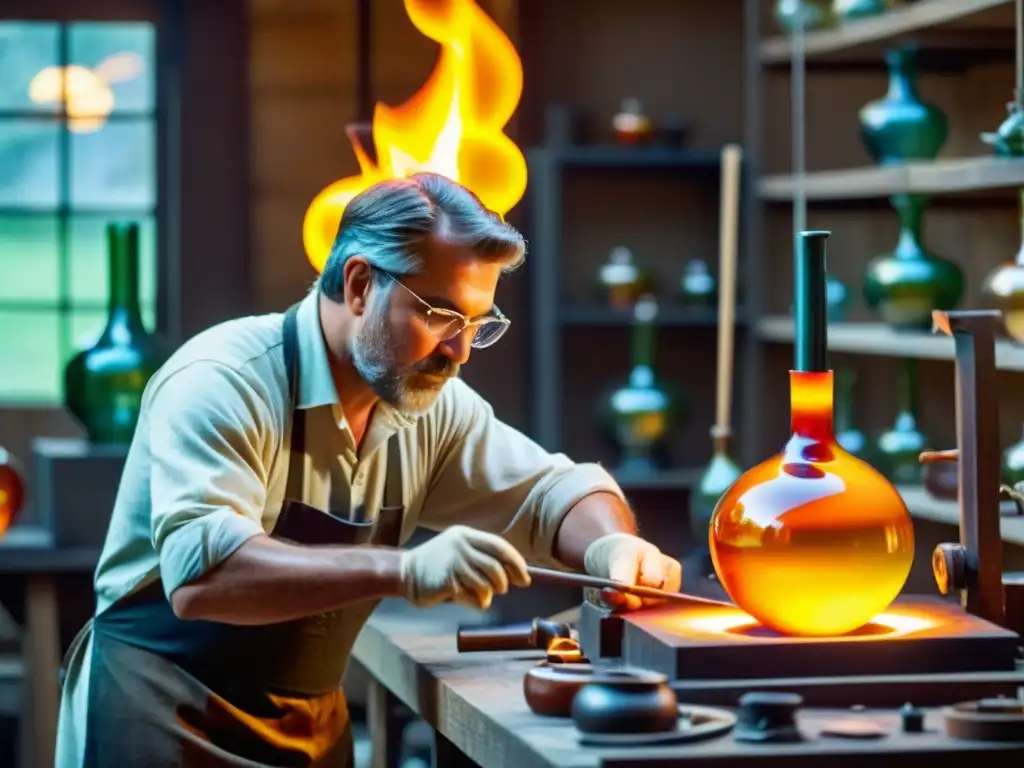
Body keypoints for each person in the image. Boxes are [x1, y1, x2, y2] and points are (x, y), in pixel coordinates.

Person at [55, 172, 682, 767]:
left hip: (306, 727)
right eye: (439, 315)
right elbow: (205, 577)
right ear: (358, 285)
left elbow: (552, 492)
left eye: (476, 324)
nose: (459, 351)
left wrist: (609, 542)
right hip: (160, 713)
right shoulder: (223, 381)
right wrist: (403, 570)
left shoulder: (430, 406)